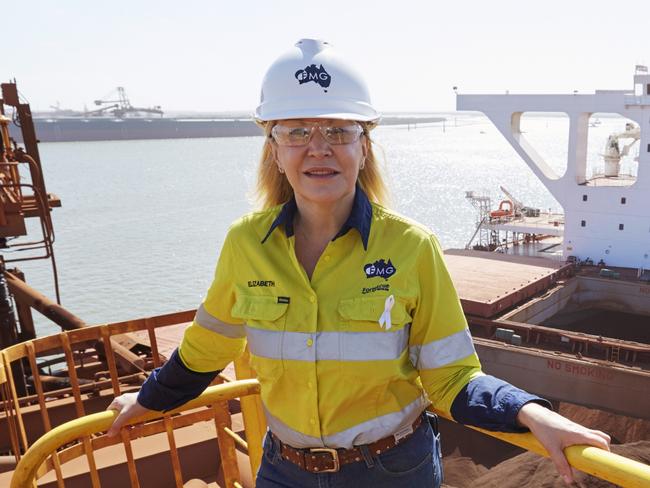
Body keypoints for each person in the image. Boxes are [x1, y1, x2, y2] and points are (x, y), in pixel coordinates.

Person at [108, 39, 611, 487]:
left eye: (339, 131)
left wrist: (531, 414)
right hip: (285, 470)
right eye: (297, 131)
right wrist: (146, 401)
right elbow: (204, 349)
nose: (318, 148)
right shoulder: (245, 244)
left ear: (363, 148)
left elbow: (452, 377)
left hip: (393, 471)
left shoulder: (412, 247)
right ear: (275, 150)